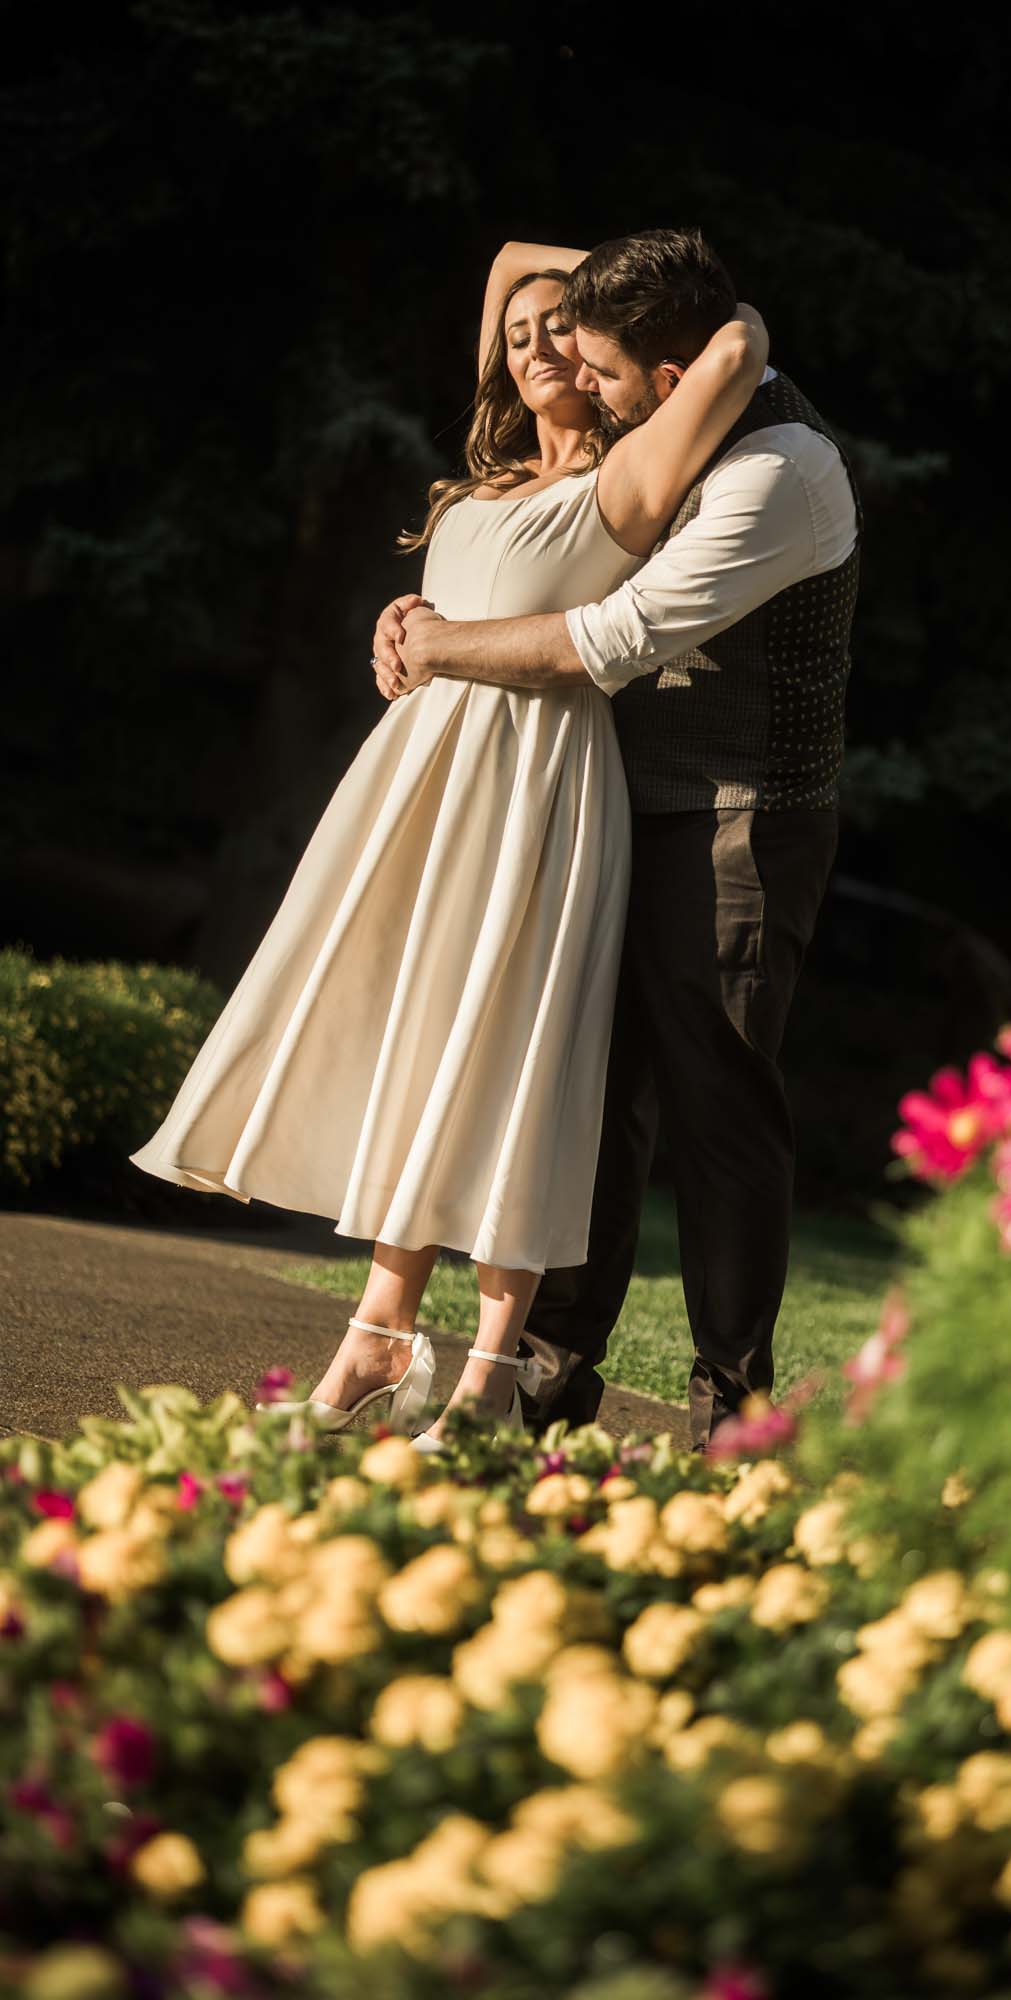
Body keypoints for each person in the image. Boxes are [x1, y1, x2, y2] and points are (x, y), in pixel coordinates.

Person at [128, 241, 769, 1441]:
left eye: (559, 328)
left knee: (514, 1055)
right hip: (424, 785)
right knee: (419, 1040)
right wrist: (407, 622)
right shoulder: (484, 481)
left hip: (539, 790)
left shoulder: (626, 478)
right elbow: (510, 261)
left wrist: (628, 300)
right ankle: (375, 1333)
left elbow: (736, 335)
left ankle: (486, 1372)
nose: (533, 345)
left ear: (603, 345)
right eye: (515, 336)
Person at [379, 226, 861, 1452]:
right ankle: (543, 1394)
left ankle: (730, 1420)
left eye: (597, 367)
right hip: (603, 803)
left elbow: (608, 639)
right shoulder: (662, 401)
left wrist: (440, 647)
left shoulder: (780, 469)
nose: (573, 385)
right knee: (585, 1095)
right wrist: (736, 315)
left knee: (716, 1104)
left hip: (737, 820)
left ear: (674, 375)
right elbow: (512, 263)